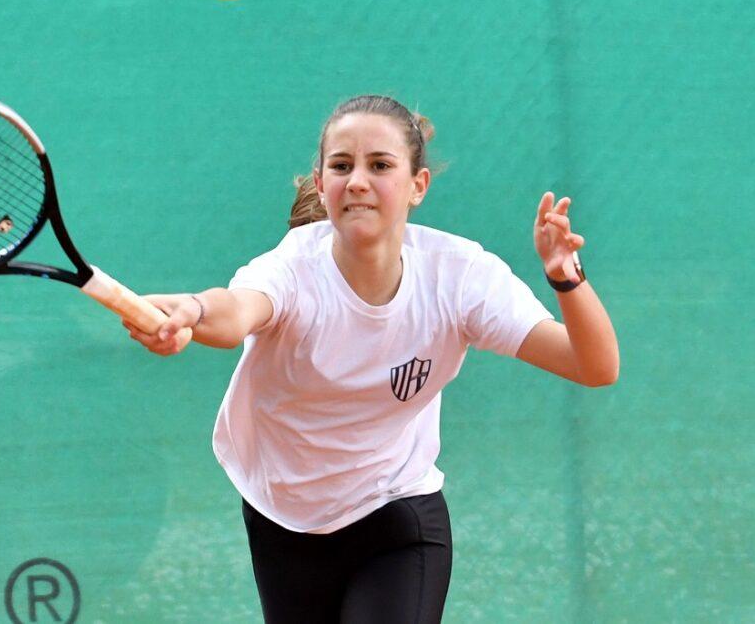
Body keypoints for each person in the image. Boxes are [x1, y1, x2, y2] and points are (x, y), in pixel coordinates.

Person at [123, 95, 619, 623]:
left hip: (396, 515)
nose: (358, 180)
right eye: (342, 166)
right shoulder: (292, 268)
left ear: (417, 186)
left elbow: (594, 365)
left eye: (380, 165)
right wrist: (194, 310)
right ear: (321, 184)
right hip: (281, 517)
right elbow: (235, 313)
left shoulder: (459, 277)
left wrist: (565, 274)